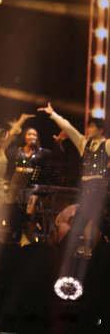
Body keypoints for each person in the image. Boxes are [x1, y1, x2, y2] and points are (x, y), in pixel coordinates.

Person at [38, 103, 109, 257]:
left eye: (91, 127)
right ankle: (64, 251)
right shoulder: (84, 143)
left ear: (100, 130)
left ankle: (62, 251)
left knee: (81, 222)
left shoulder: (107, 144)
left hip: (98, 189)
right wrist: (53, 114)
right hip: (86, 189)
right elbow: (68, 128)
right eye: (88, 126)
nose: (88, 129)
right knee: (98, 221)